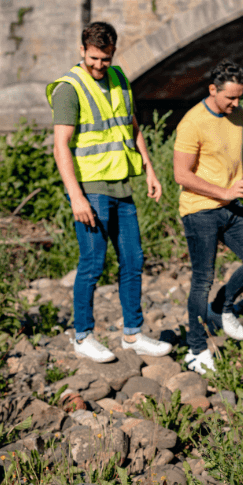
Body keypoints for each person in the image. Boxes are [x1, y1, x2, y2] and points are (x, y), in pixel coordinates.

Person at [46, 22, 171, 363]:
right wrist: (76, 196)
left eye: (106, 58)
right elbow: (60, 147)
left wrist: (149, 168)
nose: (100, 65)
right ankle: (83, 336)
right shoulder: (69, 89)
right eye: (94, 58)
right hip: (91, 191)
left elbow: (131, 126)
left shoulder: (118, 78)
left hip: (122, 187)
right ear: (82, 51)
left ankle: (132, 333)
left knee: (133, 261)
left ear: (114, 52)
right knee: (92, 265)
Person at [173, 59, 243, 374]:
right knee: (203, 279)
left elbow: (239, 155)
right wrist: (223, 192)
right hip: (200, 209)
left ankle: (222, 307)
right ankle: (197, 349)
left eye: (240, 96)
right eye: (230, 97)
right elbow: (181, 175)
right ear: (212, 90)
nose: (236, 103)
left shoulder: (237, 114)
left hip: (232, 204)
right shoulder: (192, 122)